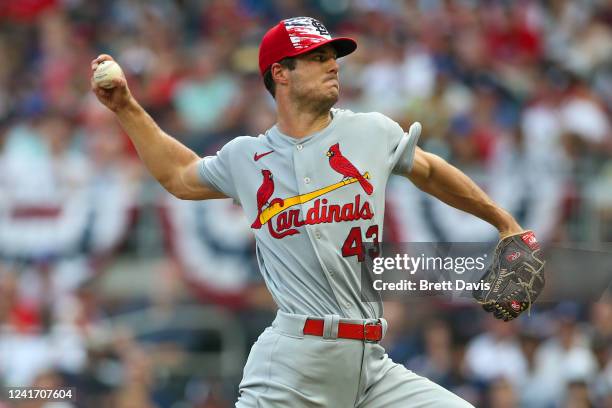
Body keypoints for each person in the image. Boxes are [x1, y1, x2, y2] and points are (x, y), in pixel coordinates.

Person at [91, 16, 525, 408]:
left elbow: (430, 170)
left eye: (332, 56)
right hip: (294, 366)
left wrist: (504, 222)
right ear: (280, 73)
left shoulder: (369, 130)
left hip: (371, 366)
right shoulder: (248, 157)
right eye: (316, 58)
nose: (333, 65)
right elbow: (179, 175)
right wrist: (126, 107)